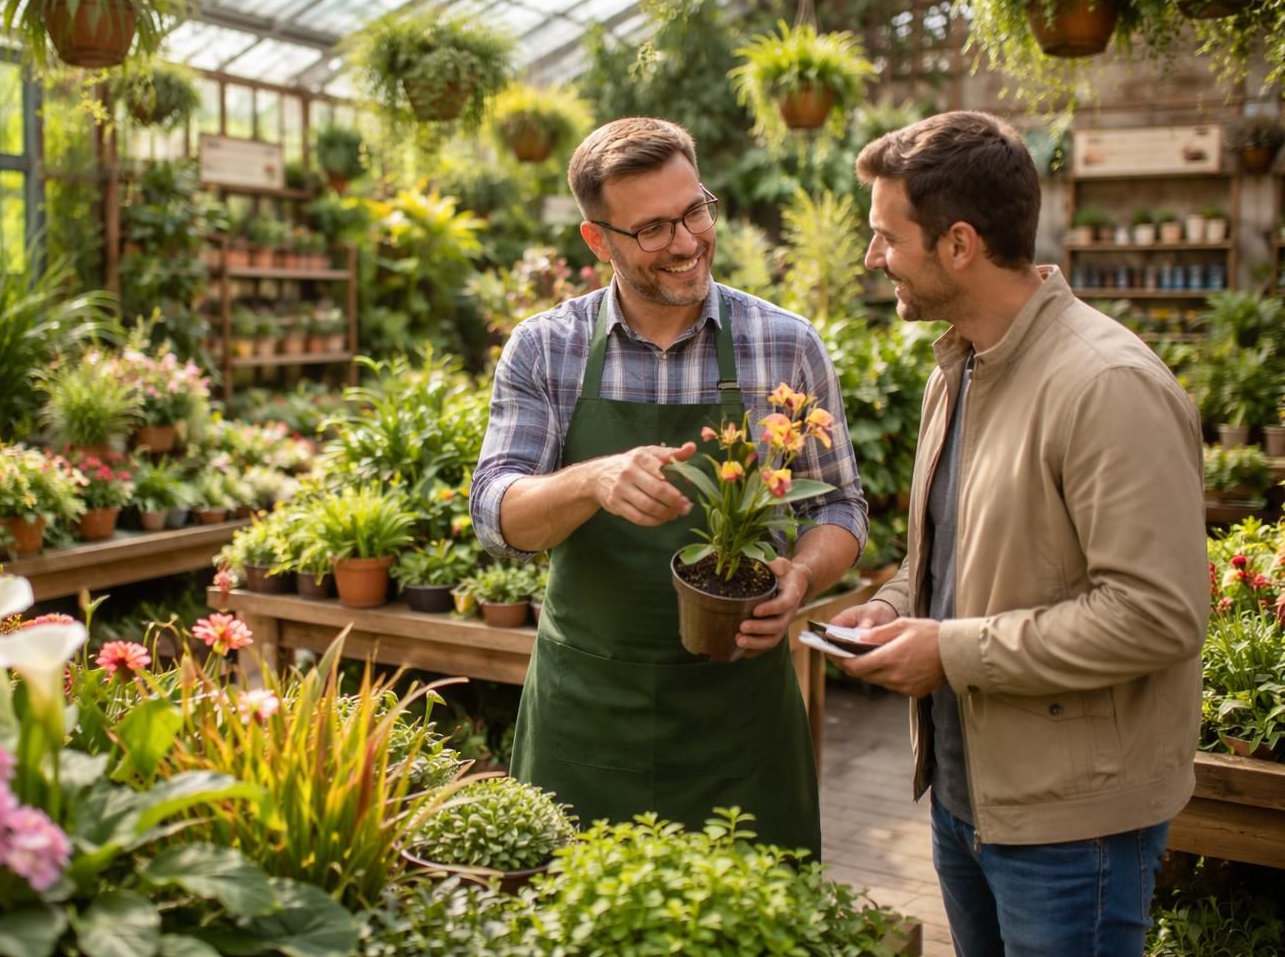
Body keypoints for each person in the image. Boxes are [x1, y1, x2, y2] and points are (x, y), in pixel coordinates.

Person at [829, 110, 1207, 957]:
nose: (872, 257)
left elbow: (1159, 614)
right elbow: (955, 557)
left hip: (1074, 830)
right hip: (969, 801)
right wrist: (891, 608)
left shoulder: (1106, 385)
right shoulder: (957, 367)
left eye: (887, 237)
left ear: (959, 244)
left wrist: (951, 651)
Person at [468, 116, 868, 854]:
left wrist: (802, 574)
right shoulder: (545, 348)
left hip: (739, 717)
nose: (686, 243)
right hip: (587, 711)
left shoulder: (782, 342)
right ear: (598, 241)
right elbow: (498, 514)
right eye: (652, 229)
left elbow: (840, 502)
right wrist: (592, 480)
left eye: (694, 211)